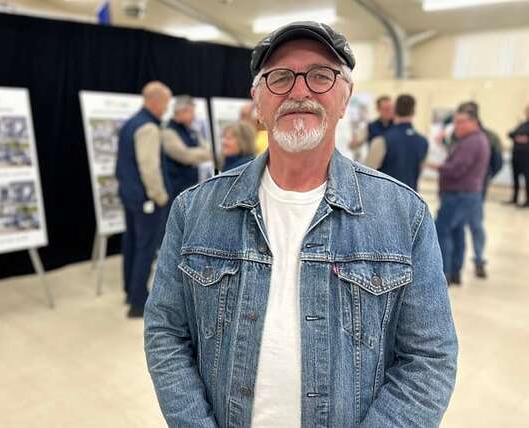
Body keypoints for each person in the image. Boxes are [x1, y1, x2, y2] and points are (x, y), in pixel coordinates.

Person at [145, 21, 457, 427]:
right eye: (279, 77)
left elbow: (429, 359)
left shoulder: (404, 215)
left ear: (345, 98)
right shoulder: (194, 210)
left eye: (320, 75)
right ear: (258, 102)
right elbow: (166, 333)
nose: (299, 91)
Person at [116, 81, 171, 318]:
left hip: (130, 196)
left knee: (131, 243)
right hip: (145, 199)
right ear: (156, 102)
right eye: (166, 104)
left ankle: (130, 290)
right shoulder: (148, 127)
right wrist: (160, 196)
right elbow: (149, 167)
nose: (166, 109)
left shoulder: (131, 123)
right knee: (145, 248)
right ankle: (138, 302)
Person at [430, 109, 490, 286]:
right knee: (457, 233)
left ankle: (445, 273)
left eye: (460, 122)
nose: (456, 126)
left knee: (443, 231)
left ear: (473, 122)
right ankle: (455, 271)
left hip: (458, 195)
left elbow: (457, 168)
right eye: (455, 122)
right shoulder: (472, 140)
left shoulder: (472, 142)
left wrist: (437, 167)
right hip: (467, 194)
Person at [452, 101, 503, 278]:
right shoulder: (457, 135)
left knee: (475, 226)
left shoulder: (489, 137)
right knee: (456, 228)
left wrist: (483, 177)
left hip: (475, 191)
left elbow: (497, 163)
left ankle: (479, 260)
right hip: (457, 190)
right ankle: (454, 268)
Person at [364, 94, 428, 191]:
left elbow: (366, 174)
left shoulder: (381, 140)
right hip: (412, 200)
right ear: (414, 112)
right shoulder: (423, 142)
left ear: (394, 111)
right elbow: (419, 170)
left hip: (385, 199)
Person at [162, 95, 213, 199]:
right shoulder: (168, 132)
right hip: (175, 189)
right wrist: (202, 153)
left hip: (191, 186)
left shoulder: (191, 130)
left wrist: (197, 153)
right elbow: (186, 156)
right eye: (191, 112)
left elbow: (209, 150)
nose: (194, 116)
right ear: (181, 112)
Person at [508, 104, 529, 207]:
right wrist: (520, 137)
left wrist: (524, 138)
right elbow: (511, 133)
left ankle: (527, 201)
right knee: (515, 178)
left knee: (527, 179)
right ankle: (514, 198)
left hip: (527, 158)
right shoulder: (523, 124)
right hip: (517, 155)